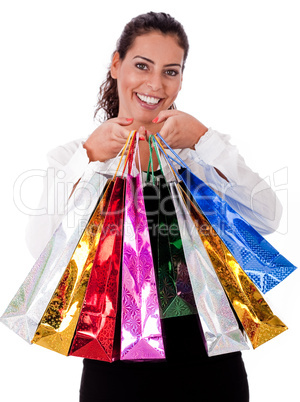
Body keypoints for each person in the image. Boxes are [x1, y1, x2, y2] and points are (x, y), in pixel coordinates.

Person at [26, 12, 282, 402]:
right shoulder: (76, 157)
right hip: (115, 371)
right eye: (142, 65)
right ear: (116, 65)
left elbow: (268, 216)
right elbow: (40, 249)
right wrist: (89, 158)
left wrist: (204, 140)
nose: (155, 84)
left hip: (212, 364)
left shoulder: (196, 155)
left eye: (171, 71)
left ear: (181, 79)